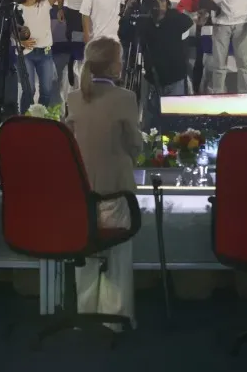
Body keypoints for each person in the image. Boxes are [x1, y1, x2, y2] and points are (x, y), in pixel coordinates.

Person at [62, 38, 144, 328]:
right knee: (116, 256)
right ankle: (113, 318)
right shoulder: (125, 98)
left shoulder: (73, 97)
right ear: (112, 65)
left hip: (82, 191)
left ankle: (85, 314)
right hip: (116, 188)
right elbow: (135, 144)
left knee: (85, 253)